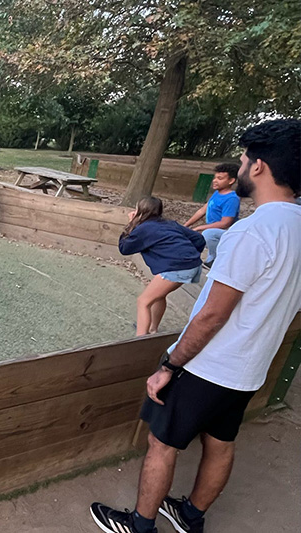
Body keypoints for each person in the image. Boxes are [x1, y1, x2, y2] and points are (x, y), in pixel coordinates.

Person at [91, 119, 301, 533]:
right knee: (221, 442)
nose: (239, 167)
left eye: (242, 160)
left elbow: (213, 315)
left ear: (258, 167)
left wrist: (169, 365)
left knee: (161, 443)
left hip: (209, 366)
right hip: (250, 368)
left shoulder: (253, 231)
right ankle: (190, 516)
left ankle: (140, 523)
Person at [118, 197, 206, 336]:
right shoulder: (170, 224)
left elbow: (124, 247)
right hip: (193, 265)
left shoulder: (143, 229)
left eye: (136, 209)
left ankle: (139, 340)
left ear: (140, 212)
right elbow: (199, 239)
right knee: (159, 296)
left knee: (143, 301)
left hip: (177, 268)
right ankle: (152, 329)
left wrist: (131, 224)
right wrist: (189, 255)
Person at [184, 163, 240, 267]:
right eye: (215, 177)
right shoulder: (217, 193)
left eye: (220, 178)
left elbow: (225, 223)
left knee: (209, 234)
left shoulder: (232, 199)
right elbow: (202, 210)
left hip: (226, 232)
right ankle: (209, 258)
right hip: (214, 229)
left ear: (231, 181)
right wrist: (185, 226)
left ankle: (217, 259)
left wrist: (201, 227)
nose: (215, 180)